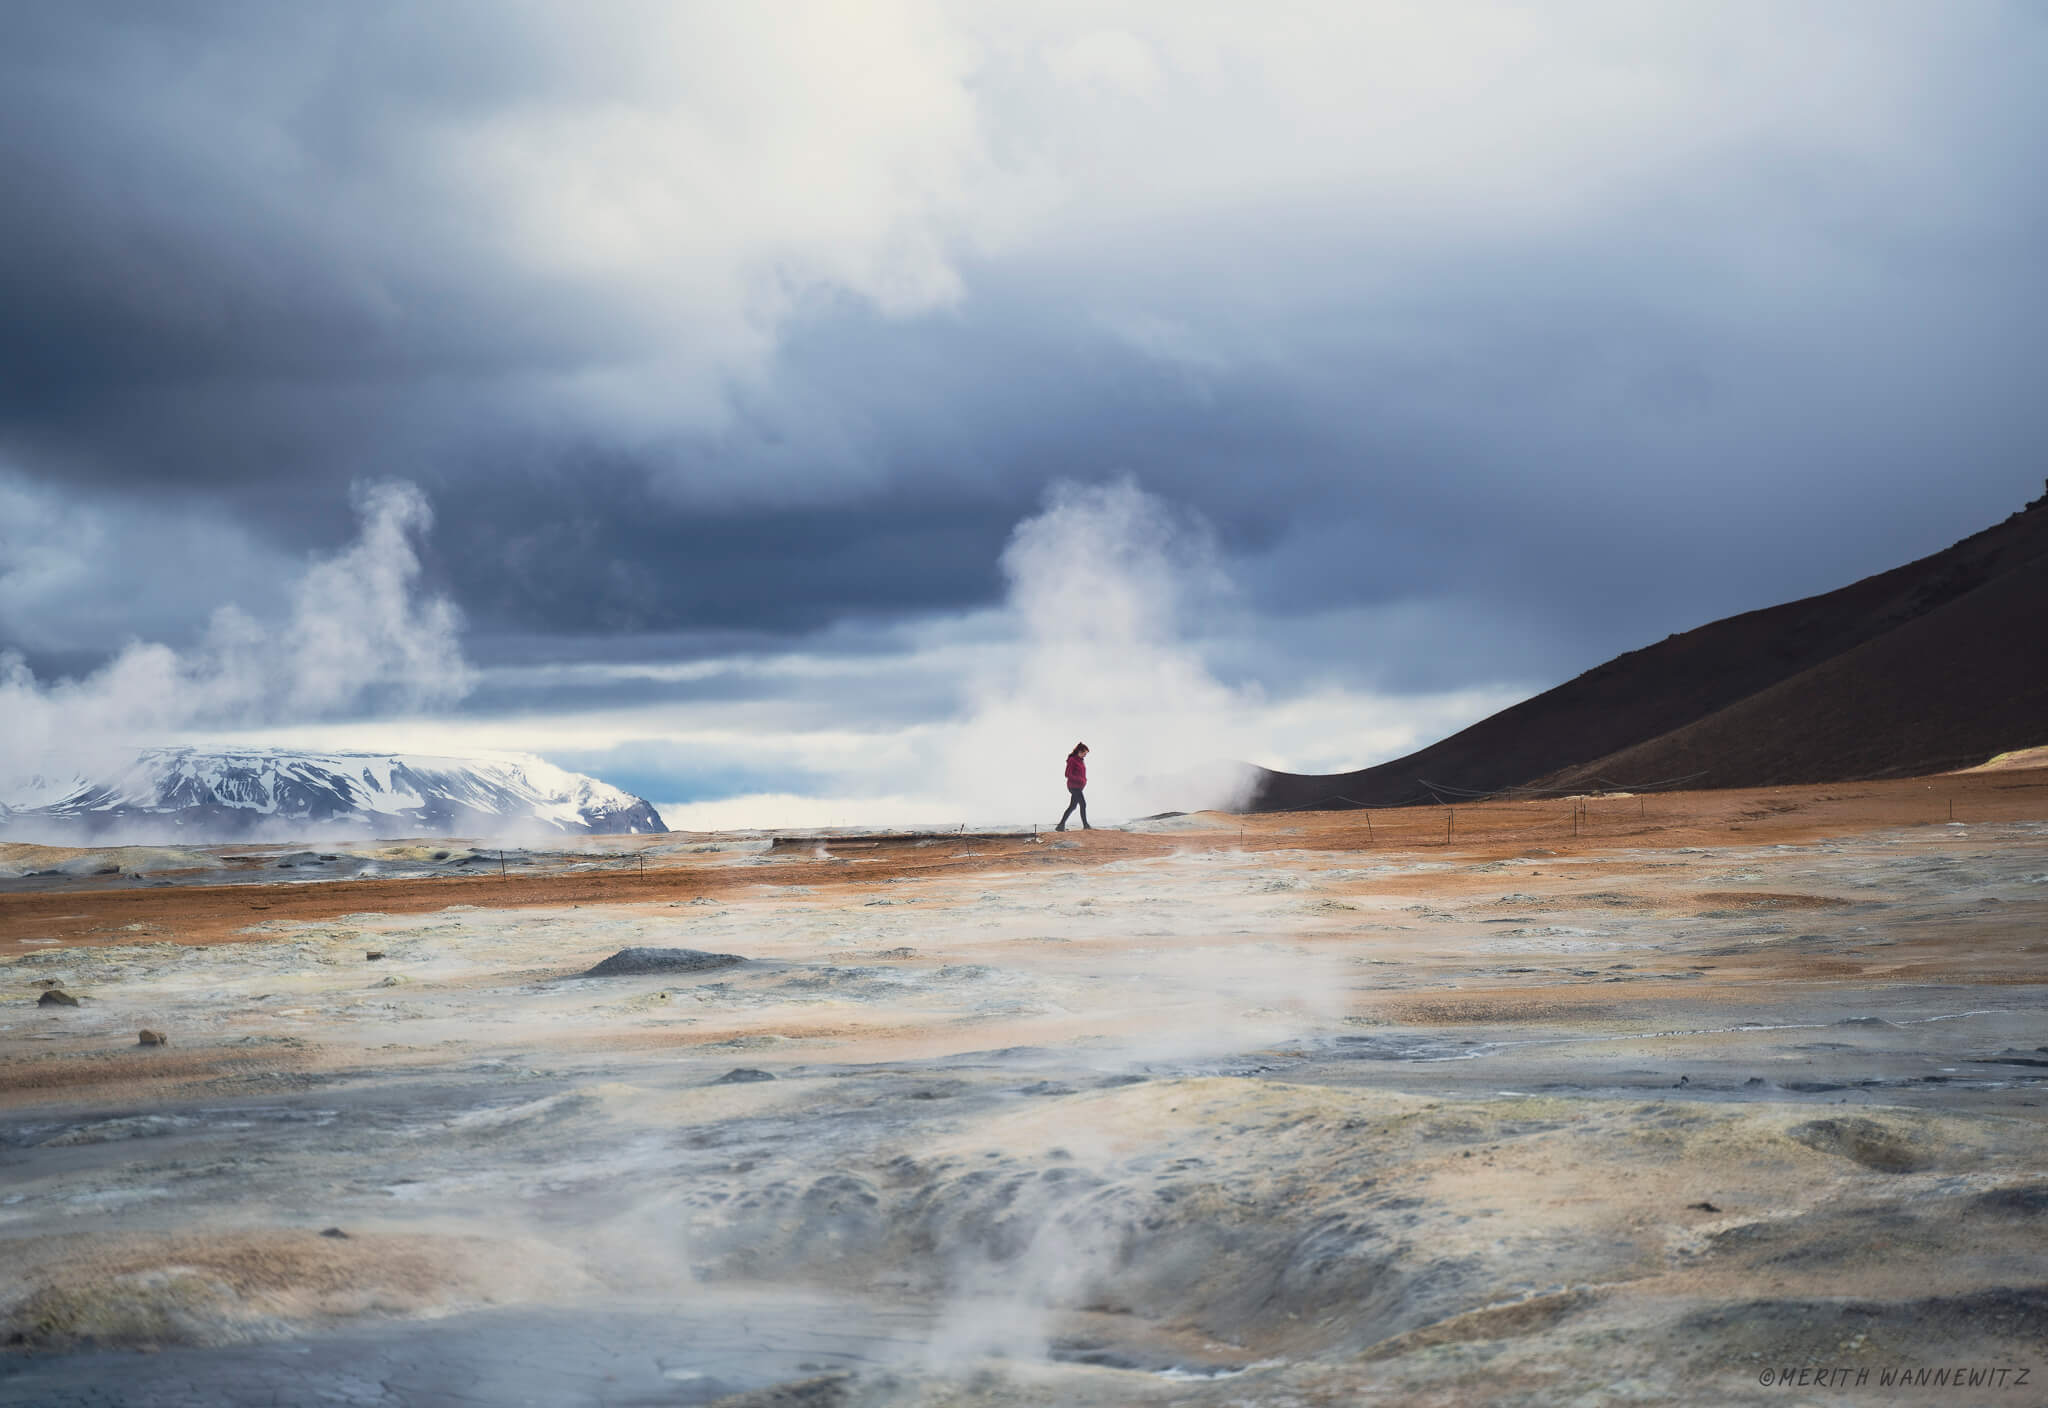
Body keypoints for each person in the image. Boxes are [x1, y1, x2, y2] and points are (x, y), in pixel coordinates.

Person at [1057, 742, 1091, 830]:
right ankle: (1086, 825)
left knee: (1073, 806)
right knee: (1083, 804)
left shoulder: (1080, 761)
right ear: (1079, 751)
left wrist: (1084, 780)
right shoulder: (1072, 760)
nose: (1085, 755)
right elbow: (1067, 774)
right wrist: (1080, 780)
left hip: (1079, 787)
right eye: (1084, 753)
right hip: (1073, 786)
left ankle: (1060, 825)